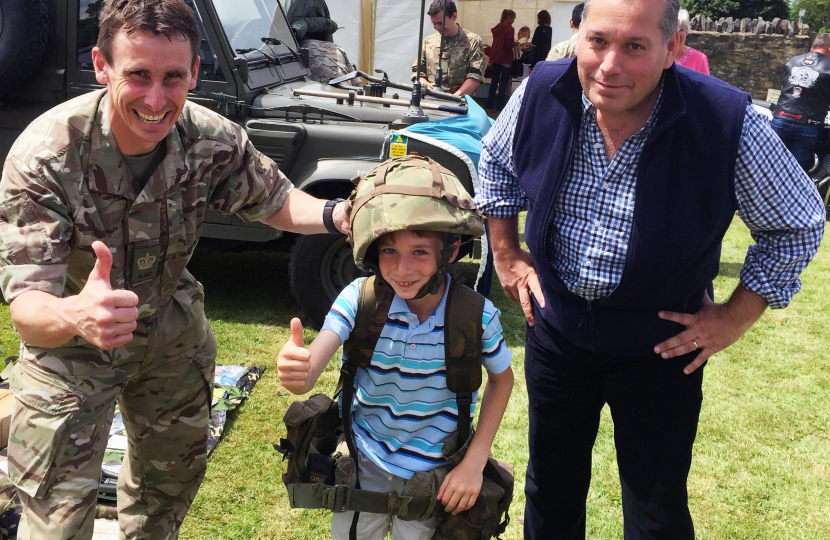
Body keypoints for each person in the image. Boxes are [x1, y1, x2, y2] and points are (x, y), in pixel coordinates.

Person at [474, 0, 825, 538]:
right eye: (598, 42)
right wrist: (506, 252)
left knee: (656, 506)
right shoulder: (543, 88)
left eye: (634, 46)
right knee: (550, 488)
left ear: (673, 48)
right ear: (578, 35)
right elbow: (496, 160)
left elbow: (797, 223)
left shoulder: (724, 119)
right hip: (557, 331)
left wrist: (733, 318)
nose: (609, 65)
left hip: (661, 349)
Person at [0, 1, 350, 539]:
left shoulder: (208, 136)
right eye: (137, 75)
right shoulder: (45, 156)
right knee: (55, 517)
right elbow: (27, 310)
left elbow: (275, 200)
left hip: (171, 336)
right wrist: (76, 314)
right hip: (72, 351)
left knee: (167, 494)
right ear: (101, 66)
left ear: (194, 72)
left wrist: (336, 214)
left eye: (174, 77)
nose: (157, 99)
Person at [277, 157, 514, 540]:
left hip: (435, 472)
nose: (402, 268)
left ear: (450, 252)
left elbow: (502, 381)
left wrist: (474, 462)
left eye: (419, 251)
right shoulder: (360, 299)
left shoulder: (475, 316)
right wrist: (298, 371)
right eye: (389, 251)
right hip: (365, 458)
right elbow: (311, 370)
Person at [772, 33, 830, 171]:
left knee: (769, 168)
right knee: (795, 174)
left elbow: (784, 88)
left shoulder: (793, 61)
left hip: (780, 118)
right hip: (808, 125)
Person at [413, 0, 486, 96]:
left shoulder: (473, 41)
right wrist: (424, 84)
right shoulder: (429, 42)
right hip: (431, 101)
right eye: (434, 24)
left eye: (440, 23)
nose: (437, 27)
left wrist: (453, 98)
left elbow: (476, 76)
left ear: (454, 16)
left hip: (460, 103)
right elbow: (417, 72)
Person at [486, 9, 516, 111]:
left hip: (495, 57)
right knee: (503, 83)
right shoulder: (509, 29)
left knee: (494, 81)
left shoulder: (497, 28)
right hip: (505, 58)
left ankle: (489, 103)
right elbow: (509, 45)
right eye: (513, 18)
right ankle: (500, 105)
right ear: (509, 17)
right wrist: (515, 43)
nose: (513, 21)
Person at [675, 8, 710, 74]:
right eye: (673, 30)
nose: (677, 35)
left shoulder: (700, 59)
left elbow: (705, 84)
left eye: (681, 30)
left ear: (687, 32)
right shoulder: (658, 56)